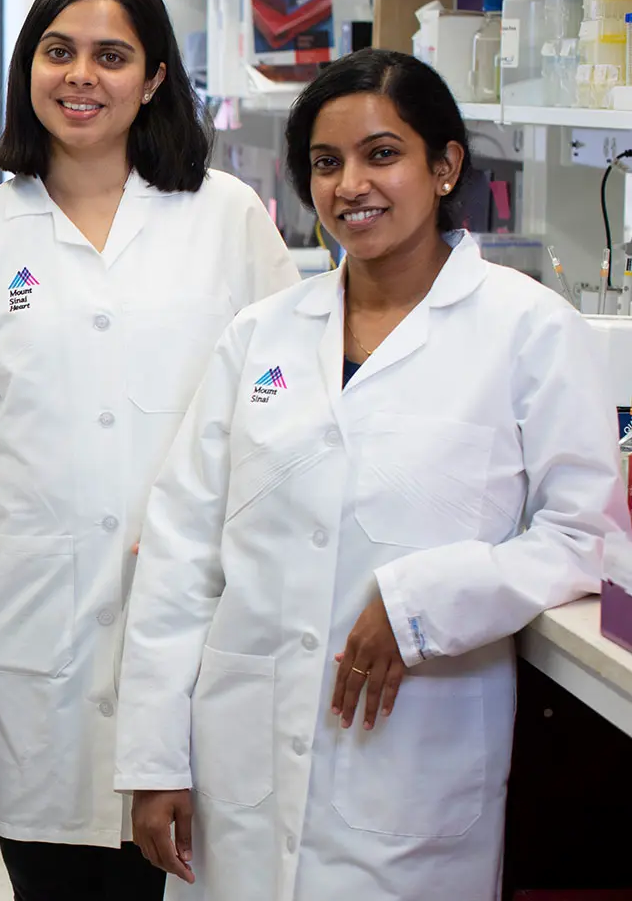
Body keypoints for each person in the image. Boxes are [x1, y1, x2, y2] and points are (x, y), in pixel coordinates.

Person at [116, 48, 630, 900]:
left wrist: (427, 600)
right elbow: (181, 554)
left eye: (382, 154)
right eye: (326, 163)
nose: (351, 183)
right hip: (240, 769)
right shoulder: (262, 335)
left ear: (445, 165)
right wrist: (154, 756)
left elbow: (587, 537)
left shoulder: (529, 329)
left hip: (411, 775)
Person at [0, 0, 300, 900]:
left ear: (154, 77)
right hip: (36, 655)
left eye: (112, 56)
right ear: (27, 68)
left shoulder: (227, 219)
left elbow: (289, 413)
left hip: (208, 632)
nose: (81, 76)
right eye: (58, 51)